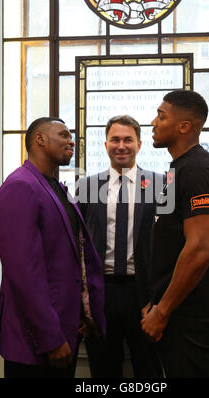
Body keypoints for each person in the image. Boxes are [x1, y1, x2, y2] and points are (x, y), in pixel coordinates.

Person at [0, 117, 105, 378]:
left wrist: (81, 314)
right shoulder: (21, 186)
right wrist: (50, 337)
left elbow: (70, 259)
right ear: (39, 139)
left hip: (65, 330)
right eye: (63, 134)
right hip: (39, 340)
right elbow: (23, 274)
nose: (71, 140)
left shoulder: (55, 187)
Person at [141, 90, 209, 378]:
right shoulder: (177, 169)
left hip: (187, 315)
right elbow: (170, 239)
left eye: (161, 116)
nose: (153, 123)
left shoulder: (199, 171)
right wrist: (157, 301)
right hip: (174, 311)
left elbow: (201, 248)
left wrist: (162, 311)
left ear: (184, 126)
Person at [76, 115, 163, 378]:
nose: (121, 145)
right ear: (105, 145)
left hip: (145, 293)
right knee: (103, 369)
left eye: (128, 139)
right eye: (115, 139)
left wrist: (159, 300)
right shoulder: (87, 186)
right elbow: (76, 244)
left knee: (148, 369)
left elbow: (169, 246)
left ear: (139, 143)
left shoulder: (160, 185)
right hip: (102, 291)